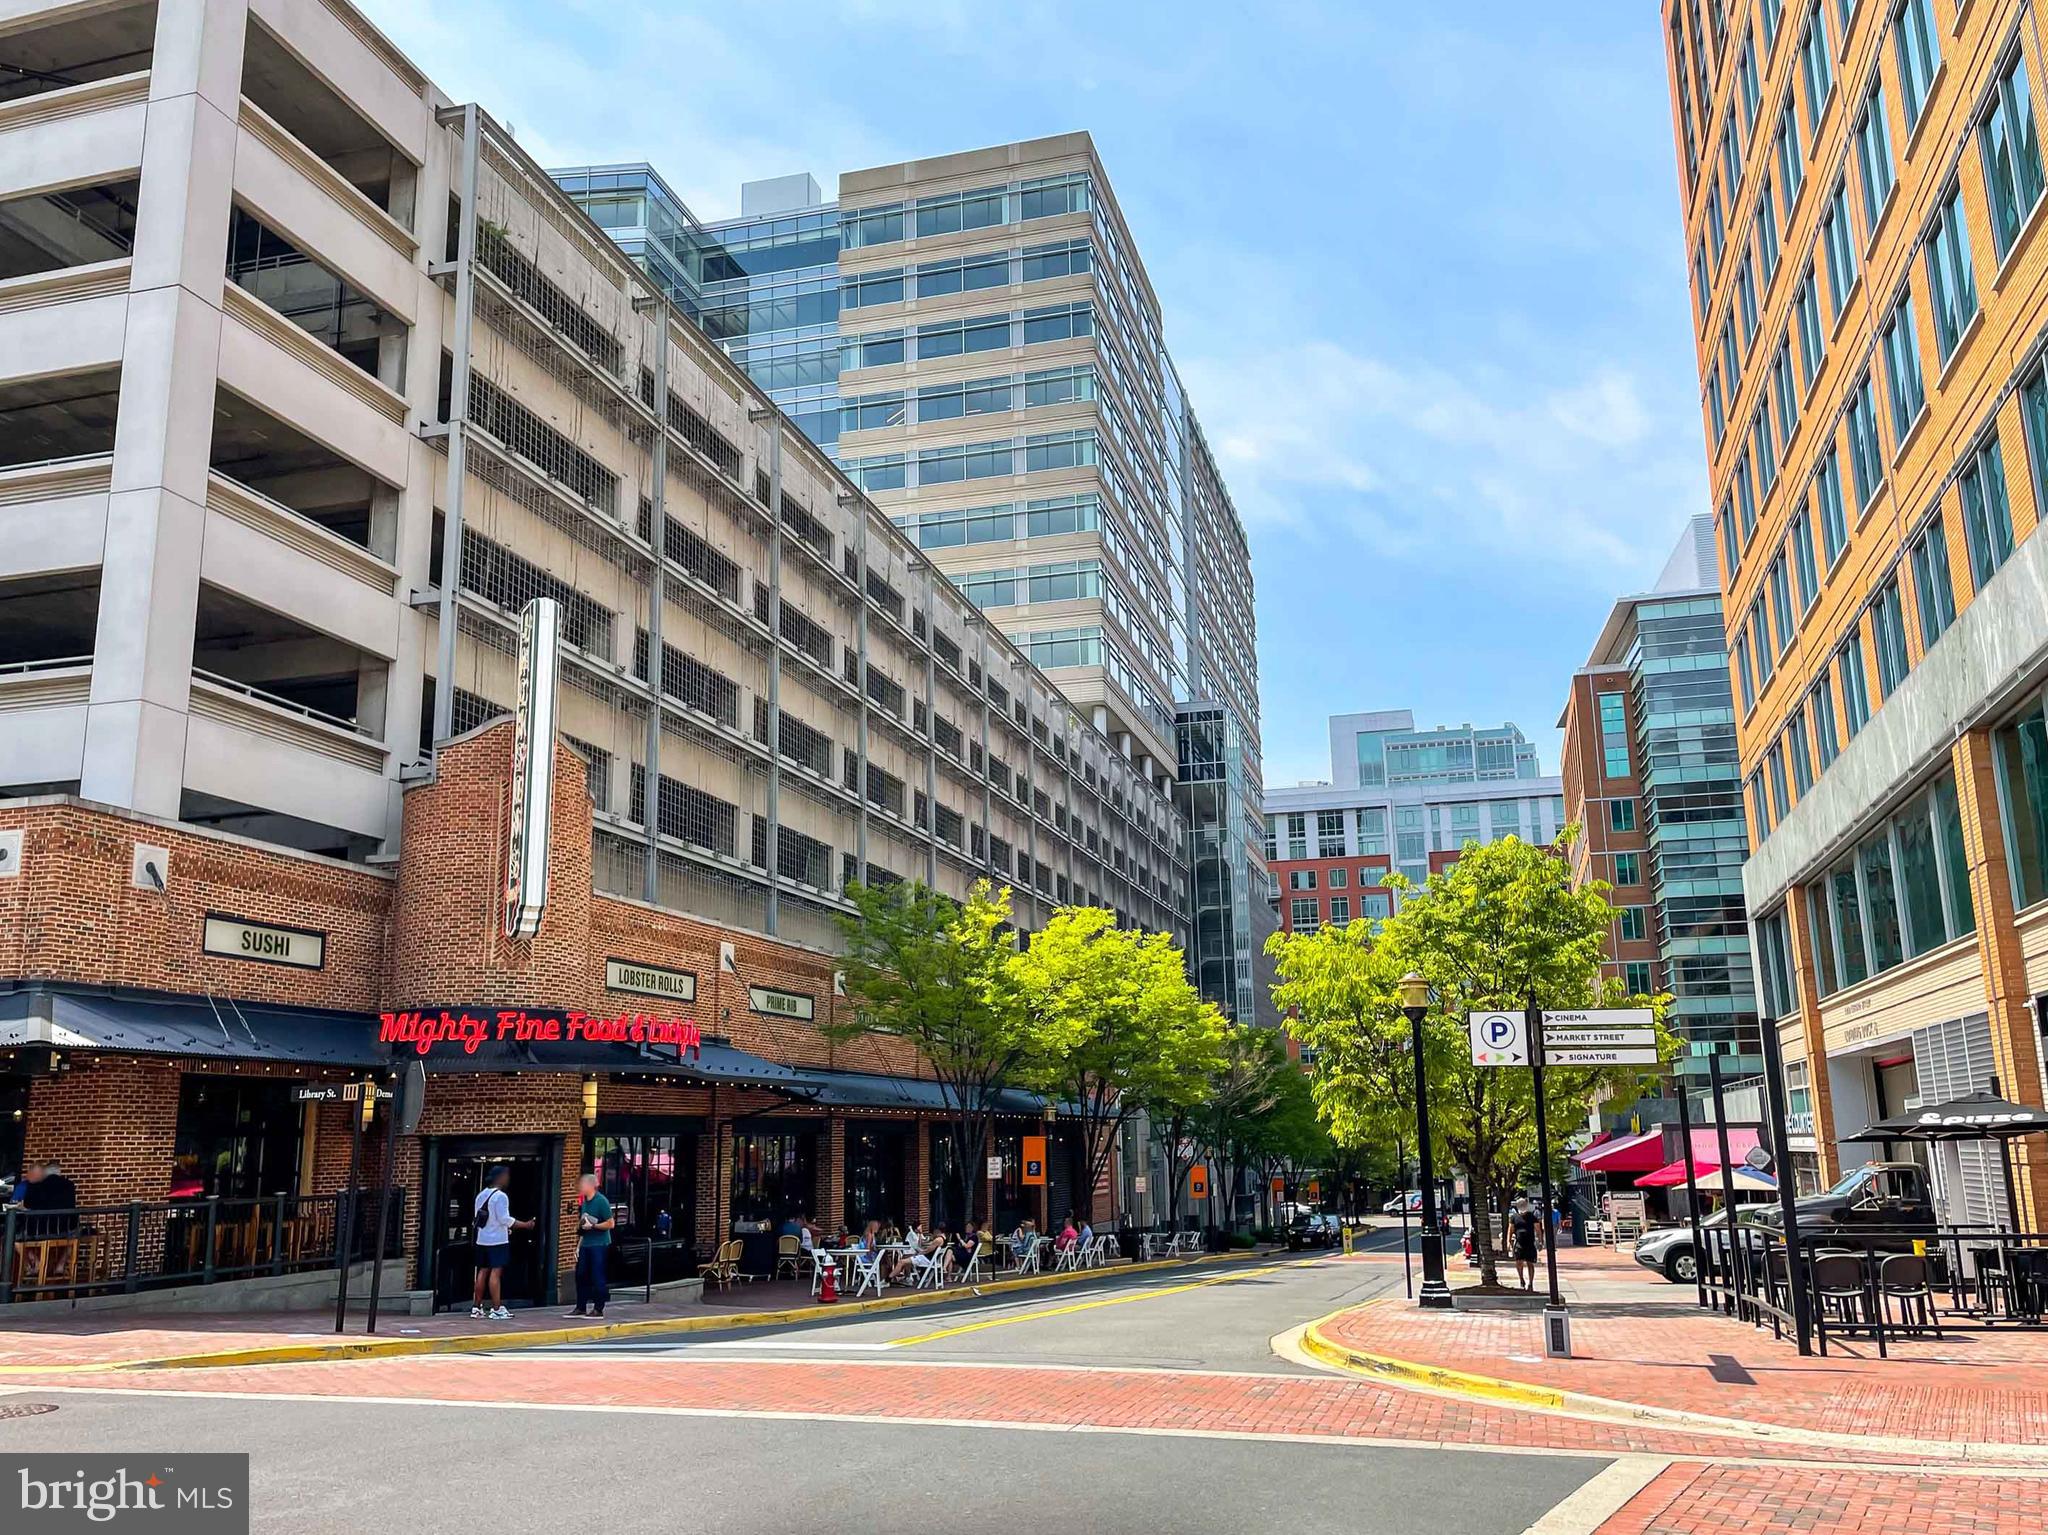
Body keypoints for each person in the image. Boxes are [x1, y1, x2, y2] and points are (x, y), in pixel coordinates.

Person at [470, 1165, 534, 1321]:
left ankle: (476, 1307)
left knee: (482, 1271)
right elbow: (505, 1219)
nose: (508, 1179)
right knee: (495, 1273)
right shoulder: (501, 1196)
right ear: (499, 1178)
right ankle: (497, 1308)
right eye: (506, 1176)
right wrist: (526, 1225)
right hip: (497, 1240)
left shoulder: (481, 1195)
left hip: (482, 1238)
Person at [566, 1171, 614, 1319]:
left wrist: (594, 1226)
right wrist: (578, 1246)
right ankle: (580, 1307)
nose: (580, 1186)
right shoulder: (585, 1202)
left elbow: (610, 1223)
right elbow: (584, 1225)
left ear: (591, 1185)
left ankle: (598, 1309)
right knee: (581, 1275)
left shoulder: (601, 1201)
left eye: (583, 1184)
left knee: (597, 1275)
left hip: (599, 1244)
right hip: (586, 1243)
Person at [1508, 1197, 1539, 1292]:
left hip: (1530, 1244)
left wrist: (1541, 1240)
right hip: (1519, 1244)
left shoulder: (1532, 1216)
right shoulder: (1514, 1217)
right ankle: (1521, 1280)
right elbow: (1510, 1230)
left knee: (1530, 1263)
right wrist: (1508, 1242)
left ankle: (1530, 1283)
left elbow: (1538, 1228)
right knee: (1518, 1262)